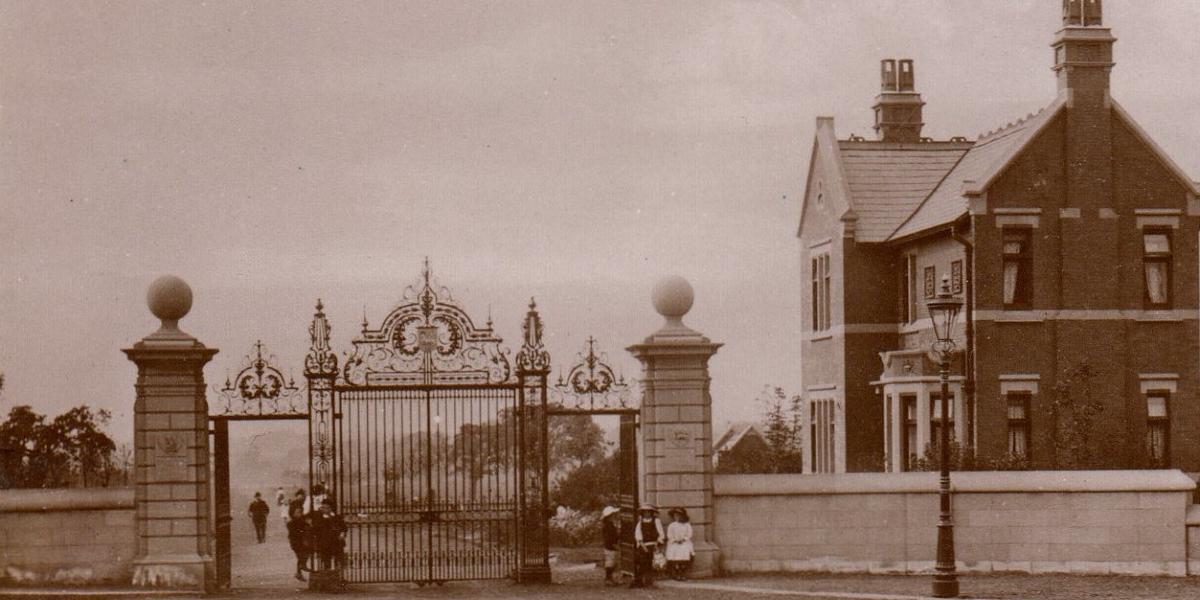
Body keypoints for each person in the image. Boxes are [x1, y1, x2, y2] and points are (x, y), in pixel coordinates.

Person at [309, 497, 347, 572]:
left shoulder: (337, 517)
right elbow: (314, 530)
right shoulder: (318, 518)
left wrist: (342, 534)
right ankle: (328, 577)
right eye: (323, 507)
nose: (325, 510)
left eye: (327, 508)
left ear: (331, 508)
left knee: (339, 560)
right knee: (326, 561)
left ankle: (338, 576)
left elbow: (344, 528)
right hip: (324, 543)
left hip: (336, 542)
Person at [630, 504, 663, 588]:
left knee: (652, 564)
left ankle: (650, 582)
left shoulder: (656, 521)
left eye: (649, 512)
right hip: (643, 546)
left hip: (654, 545)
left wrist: (657, 544)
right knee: (643, 564)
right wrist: (643, 546)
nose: (647, 513)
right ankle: (640, 581)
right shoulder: (640, 523)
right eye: (645, 512)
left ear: (652, 513)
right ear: (642, 513)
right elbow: (638, 535)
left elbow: (661, 534)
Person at [286, 489, 309, 581]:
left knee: (303, 554)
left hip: (298, 539)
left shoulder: (299, 505)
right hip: (295, 540)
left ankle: (299, 572)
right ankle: (300, 569)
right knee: (301, 554)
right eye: (301, 495)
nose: (303, 497)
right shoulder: (295, 505)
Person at [665, 507, 694, 580]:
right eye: (675, 516)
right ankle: (677, 574)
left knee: (685, 554)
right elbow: (669, 535)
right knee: (675, 556)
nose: (677, 517)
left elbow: (689, 534)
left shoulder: (687, 525)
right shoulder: (672, 525)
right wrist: (675, 540)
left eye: (678, 515)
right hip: (674, 543)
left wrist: (683, 539)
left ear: (682, 516)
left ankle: (683, 574)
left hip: (684, 543)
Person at [599, 506, 620, 586]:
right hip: (610, 545)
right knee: (610, 562)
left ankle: (610, 578)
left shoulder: (609, 525)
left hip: (610, 545)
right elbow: (609, 537)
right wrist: (613, 544)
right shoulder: (608, 526)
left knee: (612, 562)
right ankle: (608, 579)